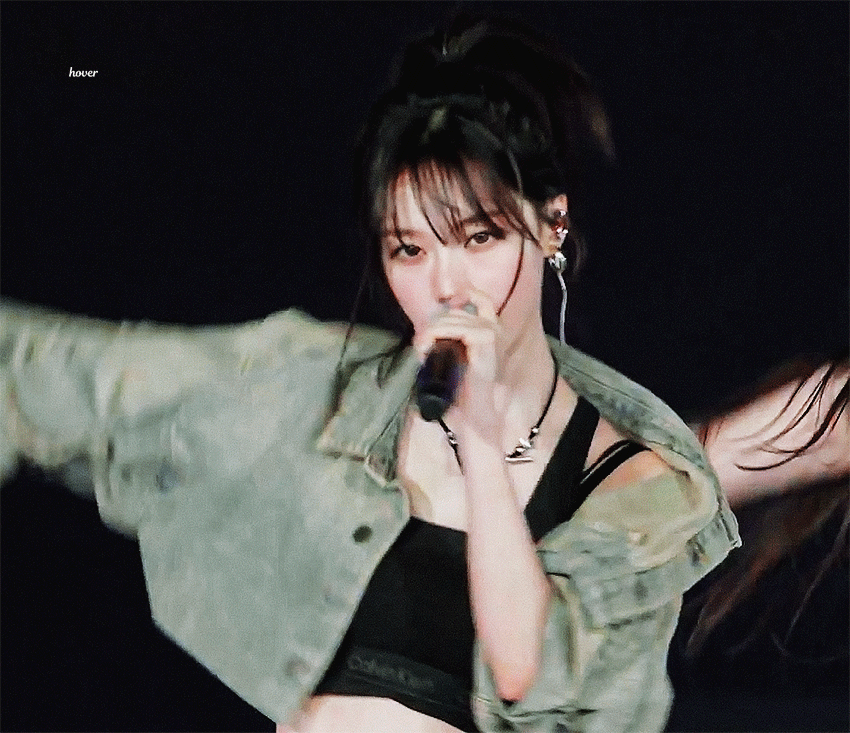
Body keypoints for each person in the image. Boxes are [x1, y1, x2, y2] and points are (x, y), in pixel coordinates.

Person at [0, 14, 739, 733]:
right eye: (409, 250)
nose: (446, 285)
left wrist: (481, 443)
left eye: (478, 237)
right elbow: (82, 379)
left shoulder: (632, 481)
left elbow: (528, 671)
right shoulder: (323, 389)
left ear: (552, 226)